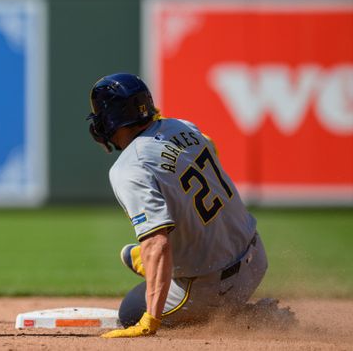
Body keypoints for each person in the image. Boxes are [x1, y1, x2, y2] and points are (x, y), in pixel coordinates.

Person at [86, 73, 271, 338]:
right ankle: (171, 271)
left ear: (110, 119)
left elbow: (158, 244)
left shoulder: (128, 167)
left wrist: (151, 318)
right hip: (256, 260)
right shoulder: (184, 126)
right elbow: (211, 148)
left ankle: (249, 317)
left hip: (212, 287)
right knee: (140, 250)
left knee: (129, 312)